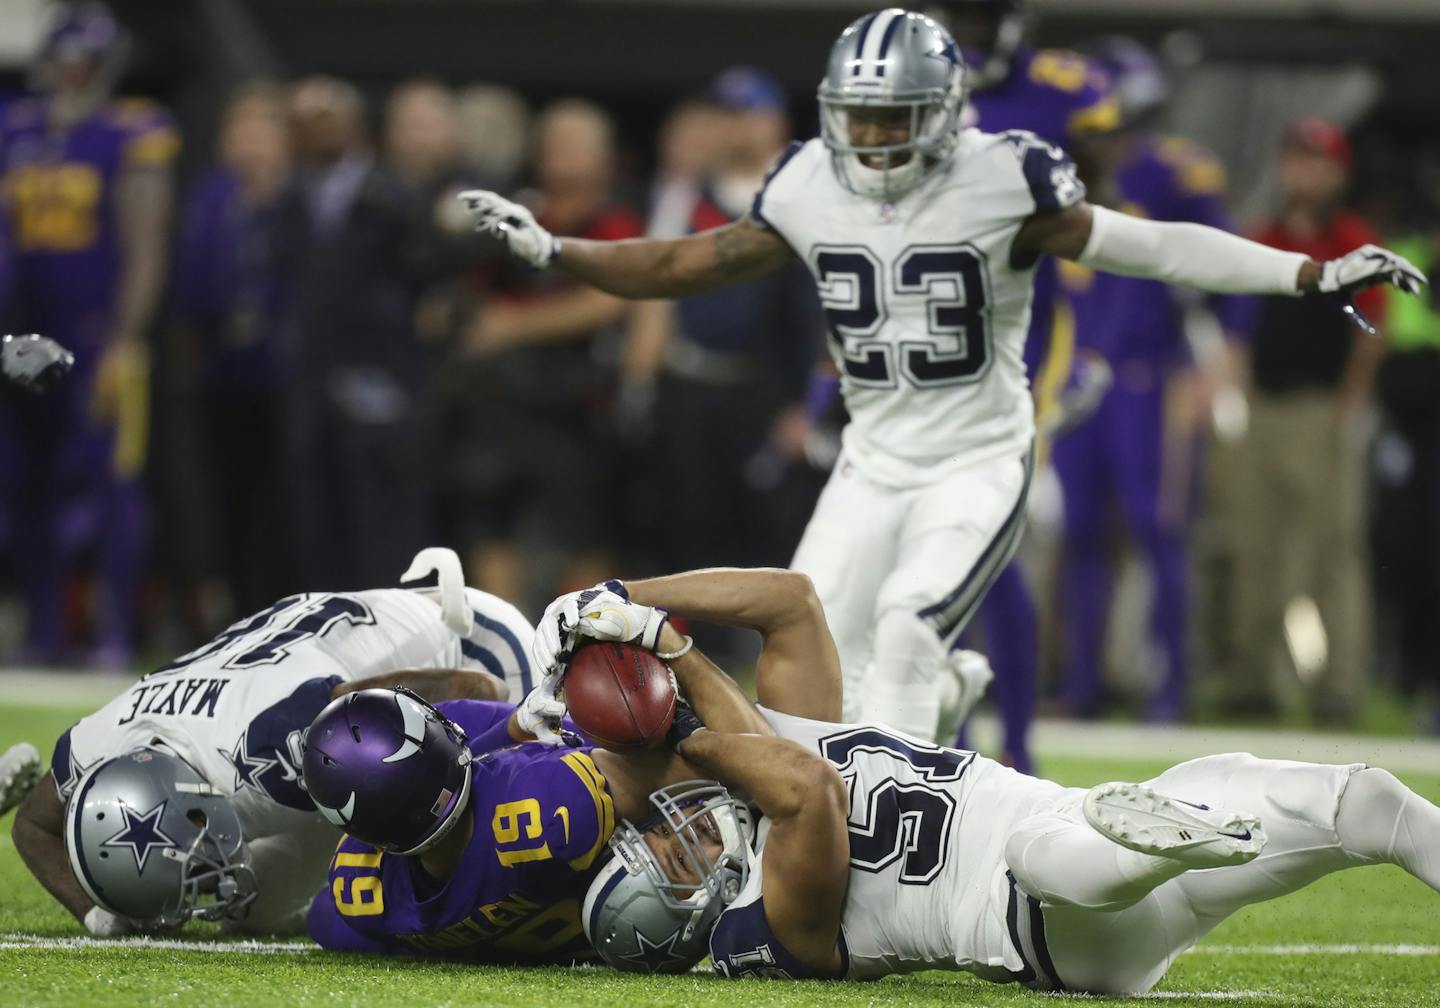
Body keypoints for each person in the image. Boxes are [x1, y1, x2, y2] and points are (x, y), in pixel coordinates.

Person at [460, 9, 1424, 745]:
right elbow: (681, 264)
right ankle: (878, 769)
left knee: (908, 628)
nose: (873, 140)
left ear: (941, 114)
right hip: (871, 461)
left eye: (893, 120)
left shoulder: (1002, 177)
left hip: (976, 456)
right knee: (810, 658)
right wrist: (554, 248)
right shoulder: (806, 182)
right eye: (858, 119)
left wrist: (1308, 271)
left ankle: (895, 854)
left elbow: (1152, 246)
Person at [557, 567, 1440, 994]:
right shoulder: (760, 930)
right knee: (1046, 854)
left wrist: (633, 596)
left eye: (661, 839)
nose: (680, 837)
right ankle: (1155, 851)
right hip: (1048, 927)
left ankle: (1170, 842)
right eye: (670, 868)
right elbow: (801, 789)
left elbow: (790, 600)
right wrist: (667, 655)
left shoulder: (760, 741)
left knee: (1364, 802)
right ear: (685, 922)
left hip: (1081, 827)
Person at [7, 547, 535, 937]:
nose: (196, 874)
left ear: (192, 802)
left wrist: (486, 704)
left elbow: (461, 690)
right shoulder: (97, 745)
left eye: (187, 853)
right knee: (251, 909)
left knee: (480, 863)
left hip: (467, 646)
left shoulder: (276, 745)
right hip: (308, 672)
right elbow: (32, 825)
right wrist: (96, 915)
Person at [301, 581, 764, 961]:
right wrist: (663, 655)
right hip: (677, 855)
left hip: (572, 916)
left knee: (484, 691)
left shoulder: (361, 899)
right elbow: (751, 769)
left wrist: (512, 727)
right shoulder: (547, 806)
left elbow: (323, 918)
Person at [934, 0, 1121, 764]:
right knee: (936, 560)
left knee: (993, 551)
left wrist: (1079, 345)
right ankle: (956, 739)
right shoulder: (914, 71)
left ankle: (1013, 744)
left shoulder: (1065, 88)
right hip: (933, 329)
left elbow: (1092, 214)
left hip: (1023, 332)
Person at [1053, 38, 1255, 722]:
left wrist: (1223, 357)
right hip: (1071, 379)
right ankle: (1085, 684)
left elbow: (1231, 267)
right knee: (1080, 532)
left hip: (1149, 375)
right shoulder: (1048, 175)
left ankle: (1171, 684)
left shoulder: (1175, 173)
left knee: (1157, 528)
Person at [0, 4, 176, 667]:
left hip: (96, 334)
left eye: (86, 62)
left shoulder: (130, 129)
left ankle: (115, 631)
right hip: (21, 333)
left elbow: (145, 243)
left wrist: (127, 338)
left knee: (111, 488)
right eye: (65, 60)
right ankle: (45, 631)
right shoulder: (17, 126)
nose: (73, 74)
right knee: (25, 484)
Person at [1227, 118, 1388, 722]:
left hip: (1324, 410)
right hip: (1264, 406)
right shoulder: (1262, 237)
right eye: (1297, 159)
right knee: (1257, 547)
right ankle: (1255, 681)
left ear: (1338, 172)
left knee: (1333, 551)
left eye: (1318, 161)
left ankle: (1340, 687)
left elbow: (1372, 330)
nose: (1306, 172)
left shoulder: (1353, 242)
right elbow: (1240, 326)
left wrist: (1352, 404)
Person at [459, 99, 642, 611]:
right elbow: (475, 298)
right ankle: (508, 657)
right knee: (493, 525)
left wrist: (514, 325)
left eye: (574, 145)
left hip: (580, 404)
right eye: (552, 143)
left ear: (605, 157)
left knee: (583, 540)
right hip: (503, 402)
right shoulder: (516, 220)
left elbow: (609, 301)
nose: (559, 155)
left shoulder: (615, 221)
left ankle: (577, 658)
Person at [274, 76, 430, 591]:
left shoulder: (395, 195)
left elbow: (421, 282)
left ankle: (384, 623)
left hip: (380, 372)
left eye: (327, 116)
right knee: (313, 511)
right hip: (308, 376)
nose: (316, 130)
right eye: (304, 120)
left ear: (356, 122)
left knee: (379, 507)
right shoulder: (287, 197)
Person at [172, 84, 292, 617]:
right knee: (224, 499)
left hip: (286, 375)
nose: (247, 144)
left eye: (259, 131)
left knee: (283, 501)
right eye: (237, 131)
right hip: (223, 370)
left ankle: (282, 608)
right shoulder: (211, 198)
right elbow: (191, 281)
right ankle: (232, 609)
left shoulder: (297, 199)